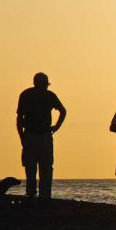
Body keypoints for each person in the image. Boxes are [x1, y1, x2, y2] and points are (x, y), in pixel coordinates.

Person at [16, 72, 66, 203]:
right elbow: (19, 117)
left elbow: (63, 110)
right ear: (35, 83)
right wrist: (22, 136)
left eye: (44, 85)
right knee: (31, 166)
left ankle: (44, 195)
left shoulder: (49, 95)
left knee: (45, 166)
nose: (43, 87)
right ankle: (33, 194)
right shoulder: (26, 95)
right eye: (41, 84)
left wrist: (57, 126)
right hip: (31, 135)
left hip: (43, 135)